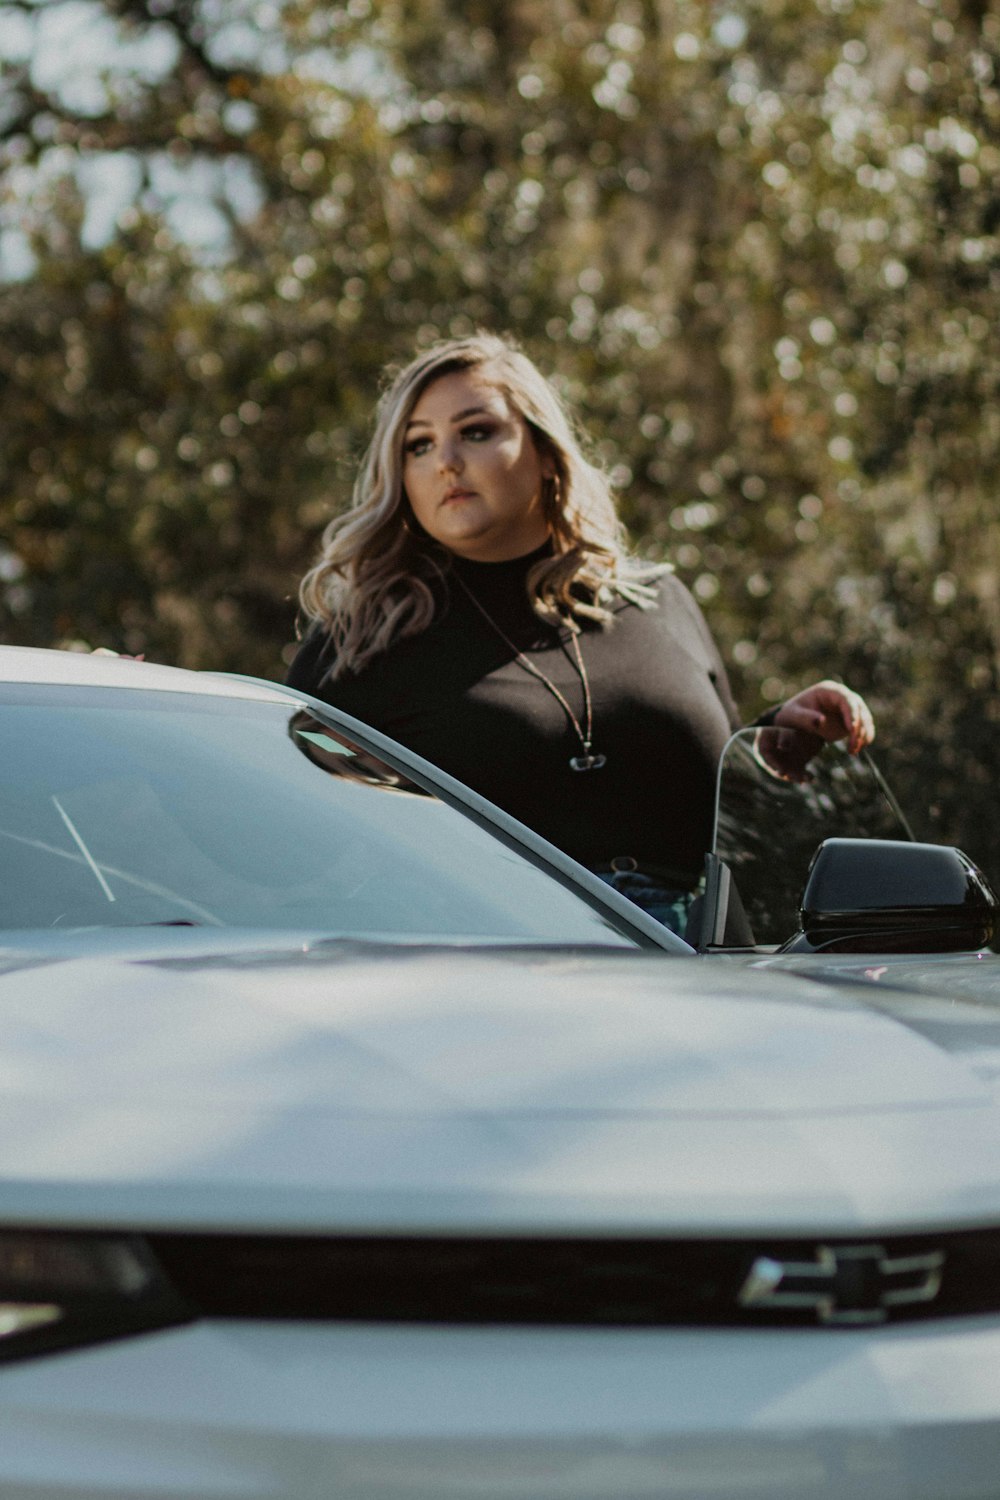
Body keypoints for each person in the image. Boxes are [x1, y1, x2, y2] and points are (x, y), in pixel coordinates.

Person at [286, 332, 874, 935]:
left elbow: (721, 807)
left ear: (544, 452)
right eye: (419, 445)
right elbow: (289, 847)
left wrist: (777, 735)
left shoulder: (655, 602)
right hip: (499, 985)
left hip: (706, 975)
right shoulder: (361, 641)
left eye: (477, 431)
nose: (446, 461)